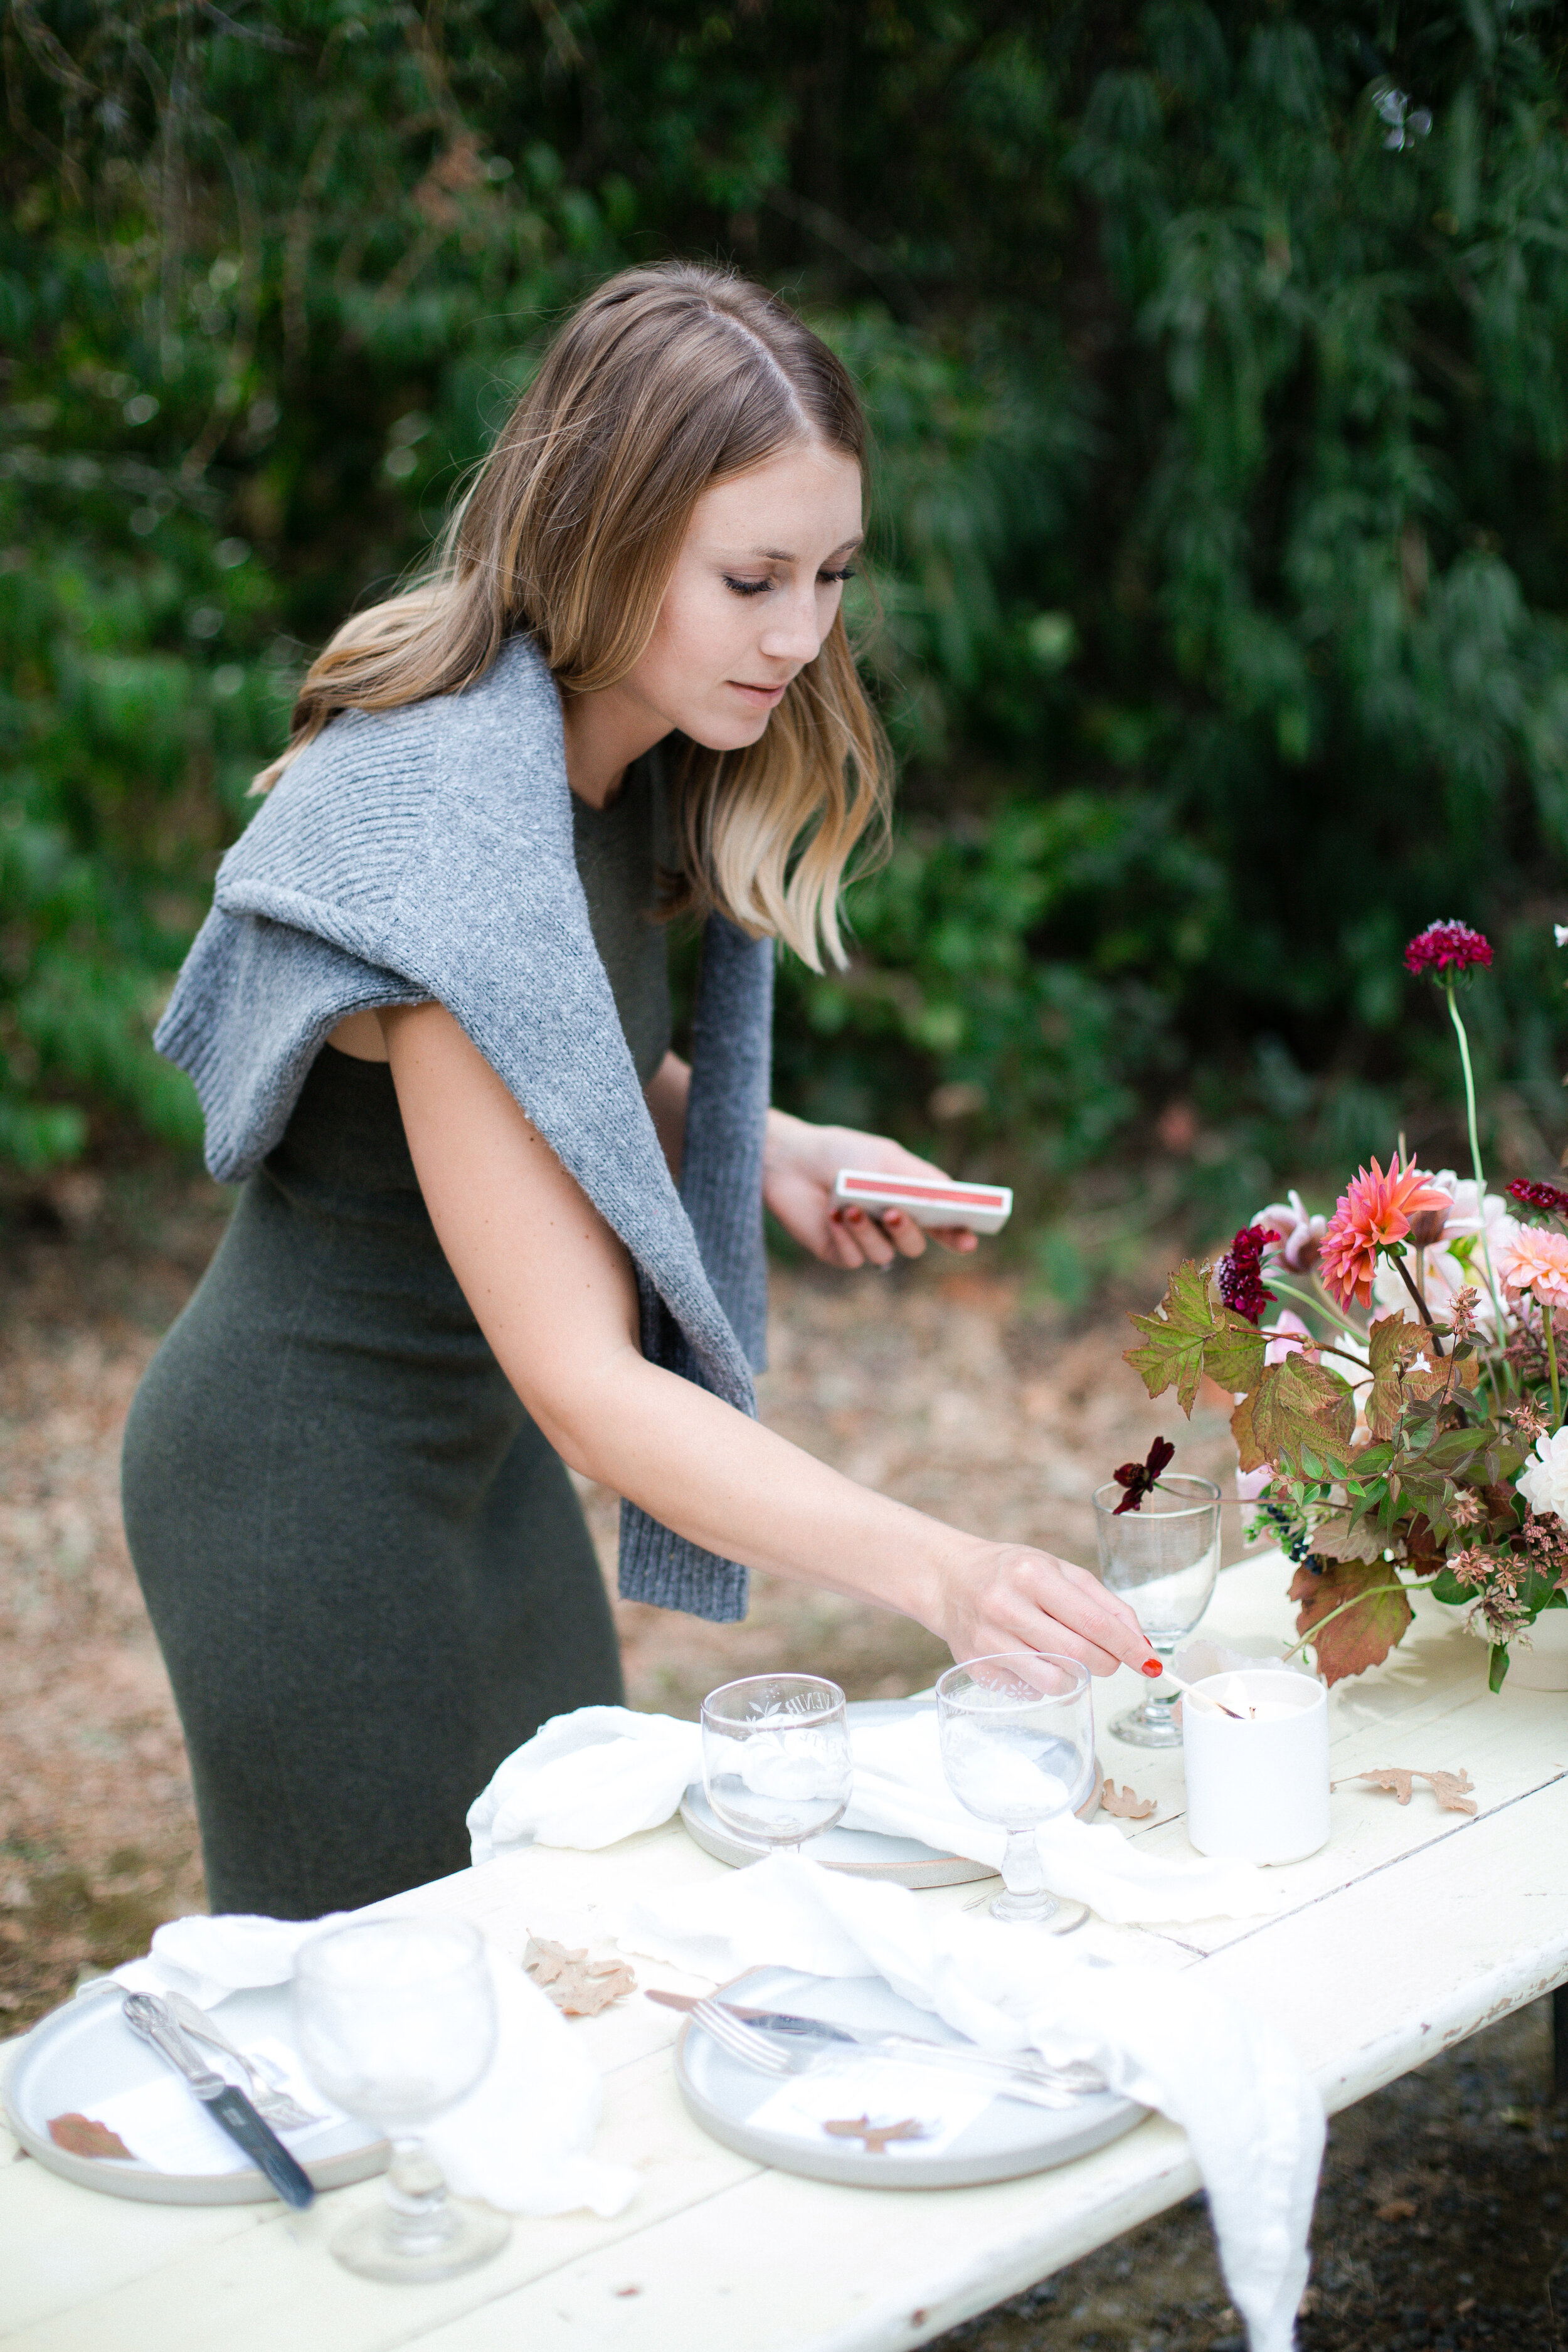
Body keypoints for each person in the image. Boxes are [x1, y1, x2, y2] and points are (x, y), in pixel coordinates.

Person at [122, 262, 1153, 1920]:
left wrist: (772, 1147)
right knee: (385, 2014)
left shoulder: (614, 761)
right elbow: (590, 1391)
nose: (802, 635)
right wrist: (947, 1571)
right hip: (306, 1494)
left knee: (566, 1929)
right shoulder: (457, 826)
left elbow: (561, 1063)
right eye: (751, 577)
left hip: (476, 1467)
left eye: (830, 576)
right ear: (607, 533)